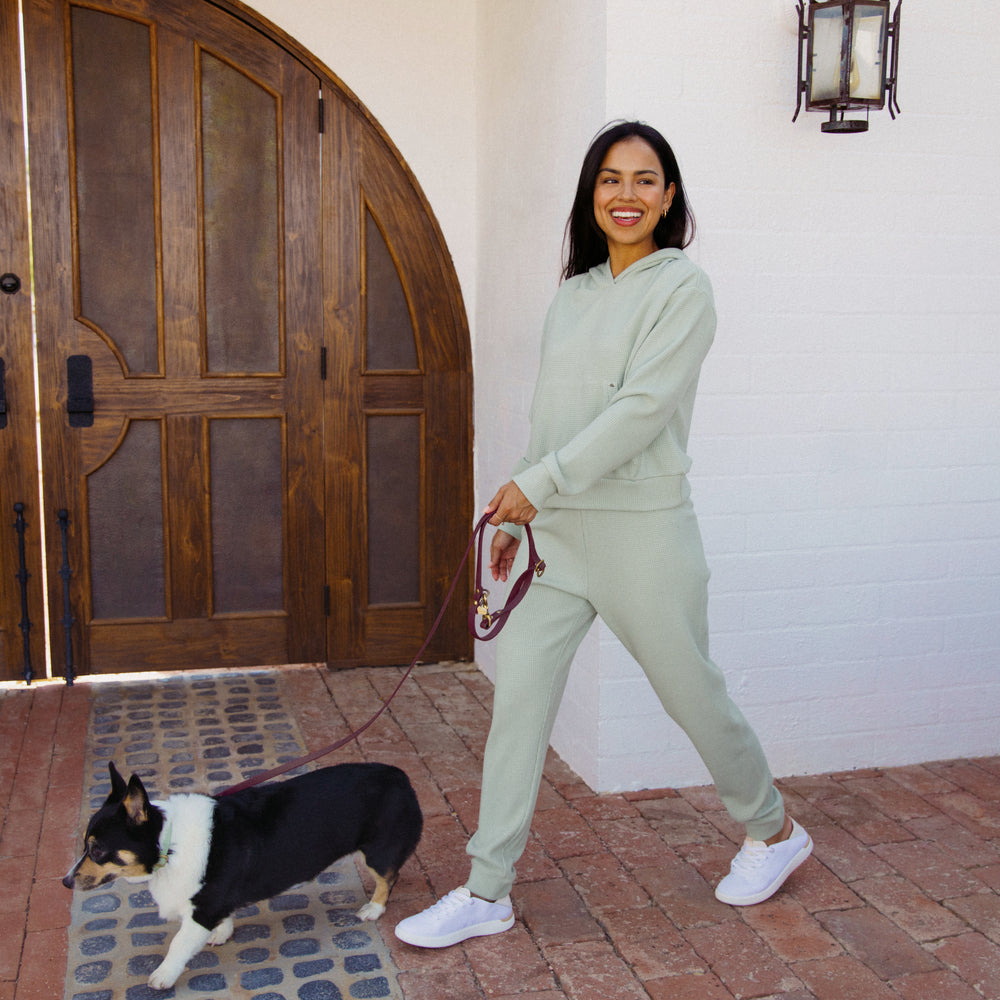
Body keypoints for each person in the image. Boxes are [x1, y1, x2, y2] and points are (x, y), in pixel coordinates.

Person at [395, 121, 812, 949]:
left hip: (643, 536)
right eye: (611, 179)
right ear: (592, 194)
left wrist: (538, 484)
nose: (627, 195)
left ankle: (773, 831)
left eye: (645, 180)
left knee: (692, 695)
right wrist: (522, 510)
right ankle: (486, 890)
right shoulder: (574, 293)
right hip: (555, 538)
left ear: (669, 196)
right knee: (518, 706)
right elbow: (553, 416)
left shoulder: (683, 289)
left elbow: (641, 411)